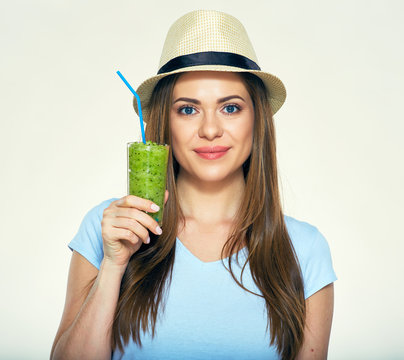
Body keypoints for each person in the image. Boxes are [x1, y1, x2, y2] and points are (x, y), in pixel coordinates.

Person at [51, 9, 337, 360]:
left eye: (230, 108)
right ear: (165, 122)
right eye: (188, 110)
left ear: (256, 120)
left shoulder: (305, 250)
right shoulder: (109, 228)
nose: (210, 130)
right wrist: (114, 266)